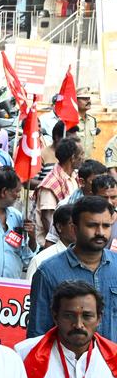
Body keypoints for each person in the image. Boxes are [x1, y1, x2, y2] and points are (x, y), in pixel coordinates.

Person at [28, 197, 117, 340]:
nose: (100, 232)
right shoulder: (48, 272)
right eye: (92, 225)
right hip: (65, 361)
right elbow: (38, 334)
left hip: (112, 361)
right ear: (75, 228)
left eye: (106, 226)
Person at [35, 138, 82, 246]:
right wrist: (58, 246)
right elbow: (47, 218)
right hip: (54, 245)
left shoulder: (74, 177)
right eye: (81, 154)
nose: (83, 158)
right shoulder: (50, 183)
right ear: (73, 158)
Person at [26, 205, 75, 282]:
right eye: (73, 225)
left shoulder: (88, 259)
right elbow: (29, 292)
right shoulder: (41, 260)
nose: (78, 228)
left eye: (81, 224)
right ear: (59, 227)